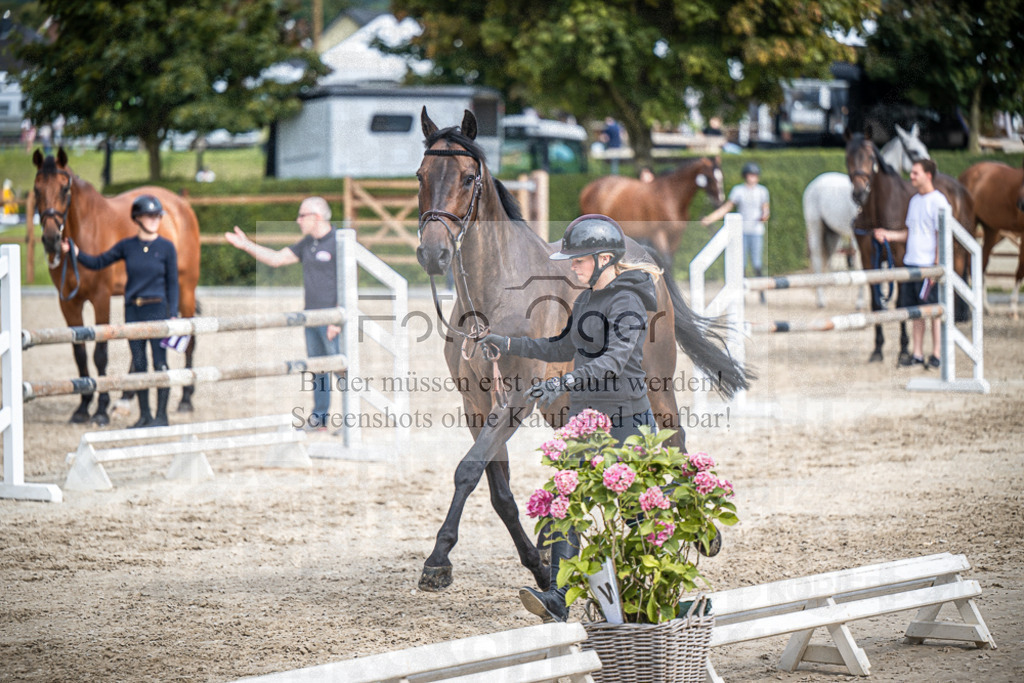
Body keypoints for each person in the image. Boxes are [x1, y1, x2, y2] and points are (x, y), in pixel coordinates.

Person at [481, 214, 662, 622]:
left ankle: (649, 595)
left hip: (626, 420)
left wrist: (563, 383)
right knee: (566, 505)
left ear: (602, 259)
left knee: (636, 514)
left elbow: (615, 360)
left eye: (578, 261)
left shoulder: (628, 301)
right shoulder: (585, 300)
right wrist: (507, 342)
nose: (572, 267)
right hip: (586, 421)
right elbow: (562, 347)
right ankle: (558, 598)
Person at [61, 195, 179, 428]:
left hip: (158, 310)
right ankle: (145, 415)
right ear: (138, 218)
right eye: (150, 215)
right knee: (139, 364)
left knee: (160, 363)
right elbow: (98, 262)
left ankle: (162, 416)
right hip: (134, 311)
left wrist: (173, 313)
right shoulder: (127, 246)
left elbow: (173, 283)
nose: (155, 220)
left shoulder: (167, 248)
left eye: (157, 216)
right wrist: (75, 253)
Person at [224, 197, 341, 430]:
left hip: (333, 319)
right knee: (317, 369)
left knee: (341, 369)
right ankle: (320, 418)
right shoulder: (307, 243)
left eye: (302, 216)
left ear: (316, 217)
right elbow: (277, 259)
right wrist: (247, 245)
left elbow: (348, 282)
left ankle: (352, 419)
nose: (298, 220)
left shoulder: (339, 242)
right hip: (311, 317)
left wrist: (337, 320)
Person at [872, 159, 948, 369]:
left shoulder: (939, 202)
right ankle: (916, 353)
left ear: (928, 175)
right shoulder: (914, 201)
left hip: (927, 267)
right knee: (915, 312)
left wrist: (936, 265)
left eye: (915, 173)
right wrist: (888, 235)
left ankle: (936, 354)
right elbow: (911, 233)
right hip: (910, 264)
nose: (911, 177)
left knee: (932, 311)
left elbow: (941, 235)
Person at [701, 162, 771, 303]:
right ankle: (742, 294)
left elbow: (766, 209)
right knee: (741, 264)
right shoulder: (738, 190)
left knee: (757, 264)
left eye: (755, 175)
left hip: (757, 231)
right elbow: (727, 207)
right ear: (746, 176)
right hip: (741, 232)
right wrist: (710, 218)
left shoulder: (762, 191)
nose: (753, 178)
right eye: (751, 175)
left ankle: (762, 293)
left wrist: (765, 216)